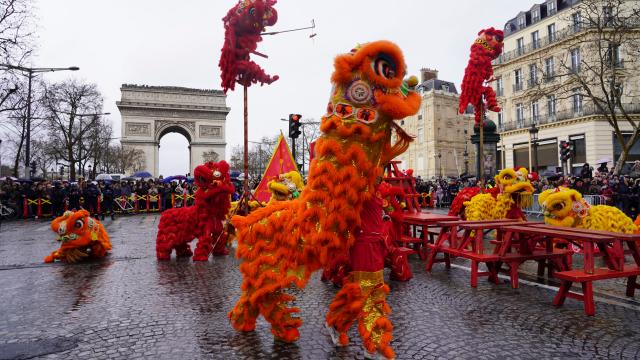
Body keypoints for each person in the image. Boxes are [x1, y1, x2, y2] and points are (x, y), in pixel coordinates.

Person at [325, 180, 395, 360]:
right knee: (371, 294)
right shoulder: (358, 186)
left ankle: (336, 323)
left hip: (375, 246)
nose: (380, 172)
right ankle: (373, 345)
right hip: (364, 247)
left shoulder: (375, 187)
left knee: (361, 293)